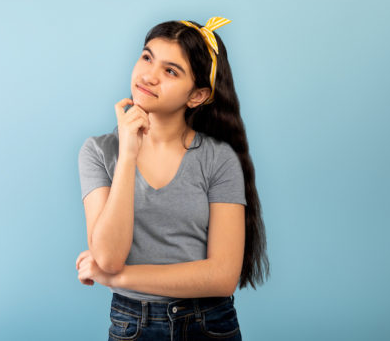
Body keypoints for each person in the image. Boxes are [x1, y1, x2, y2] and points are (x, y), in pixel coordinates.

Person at [75, 17, 269, 340]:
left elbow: (222, 276)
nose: (149, 75)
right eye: (147, 57)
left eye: (170, 71)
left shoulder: (219, 160)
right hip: (132, 326)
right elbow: (108, 256)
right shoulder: (98, 151)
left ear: (197, 96)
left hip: (209, 324)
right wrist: (127, 155)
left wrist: (119, 279)